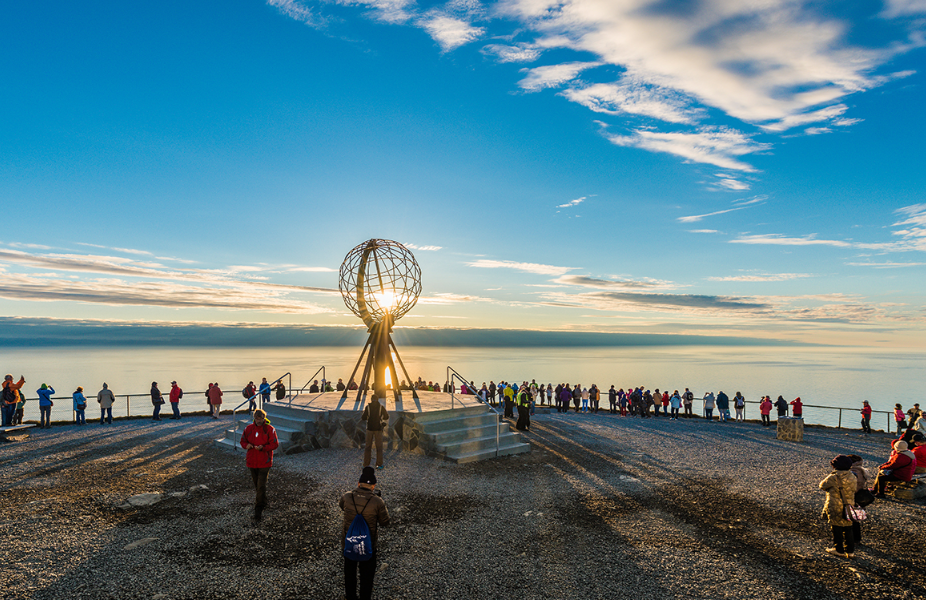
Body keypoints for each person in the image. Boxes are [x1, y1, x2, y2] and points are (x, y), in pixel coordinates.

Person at [340, 467, 389, 600]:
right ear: (373, 486)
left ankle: (350, 596)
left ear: (358, 483)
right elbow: (385, 522)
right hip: (368, 545)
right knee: (367, 575)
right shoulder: (377, 501)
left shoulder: (347, 496)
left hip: (349, 543)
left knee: (349, 573)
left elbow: (341, 506)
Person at [240, 408, 279, 522]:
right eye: (256, 419)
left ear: (264, 418)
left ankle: (258, 508)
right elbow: (242, 441)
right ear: (254, 418)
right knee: (257, 484)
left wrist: (263, 448)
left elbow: (275, 444)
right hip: (252, 461)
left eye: (260, 418)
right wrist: (246, 445)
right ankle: (263, 500)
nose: (258, 421)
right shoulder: (248, 428)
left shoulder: (270, 429)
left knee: (261, 484)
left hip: (264, 461)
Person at [819, 455, 858, 558]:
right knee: (848, 528)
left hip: (835, 505)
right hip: (849, 505)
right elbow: (854, 489)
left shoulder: (834, 477)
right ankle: (850, 551)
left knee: (836, 528)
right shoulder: (853, 476)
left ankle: (839, 549)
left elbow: (822, 485)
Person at [361, 396, 388, 469]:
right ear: (377, 399)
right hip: (378, 429)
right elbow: (386, 416)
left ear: (371, 399)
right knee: (379, 447)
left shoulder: (368, 407)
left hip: (369, 429)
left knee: (368, 447)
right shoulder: (381, 407)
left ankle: (366, 464)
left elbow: (363, 417)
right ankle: (379, 464)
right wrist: (381, 418)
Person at [848, 455, 869, 545]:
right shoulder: (861, 470)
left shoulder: (854, 472)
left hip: (853, 497)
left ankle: (852, 539)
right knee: (855, 519)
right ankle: (857, 539)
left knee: (851, 519)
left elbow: (854, 487)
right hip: (860, 497)